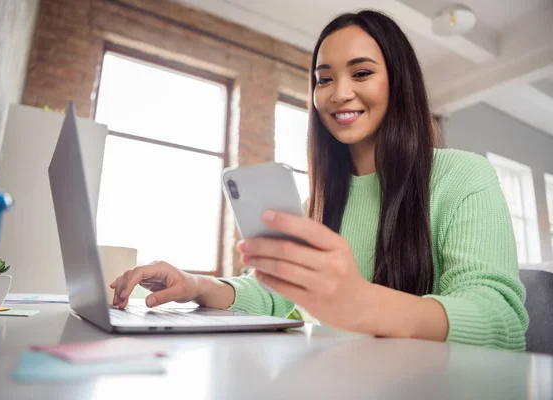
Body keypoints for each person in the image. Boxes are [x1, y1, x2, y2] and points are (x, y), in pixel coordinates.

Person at [111, 10, 528, 351]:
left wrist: (362, 303)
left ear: (399, 83)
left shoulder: (464, 176)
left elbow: (500, 319)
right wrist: (197, 285)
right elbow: (281, 298)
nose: (338, 93)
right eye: (324, 79)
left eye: (361, 73)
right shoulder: (319, 201)